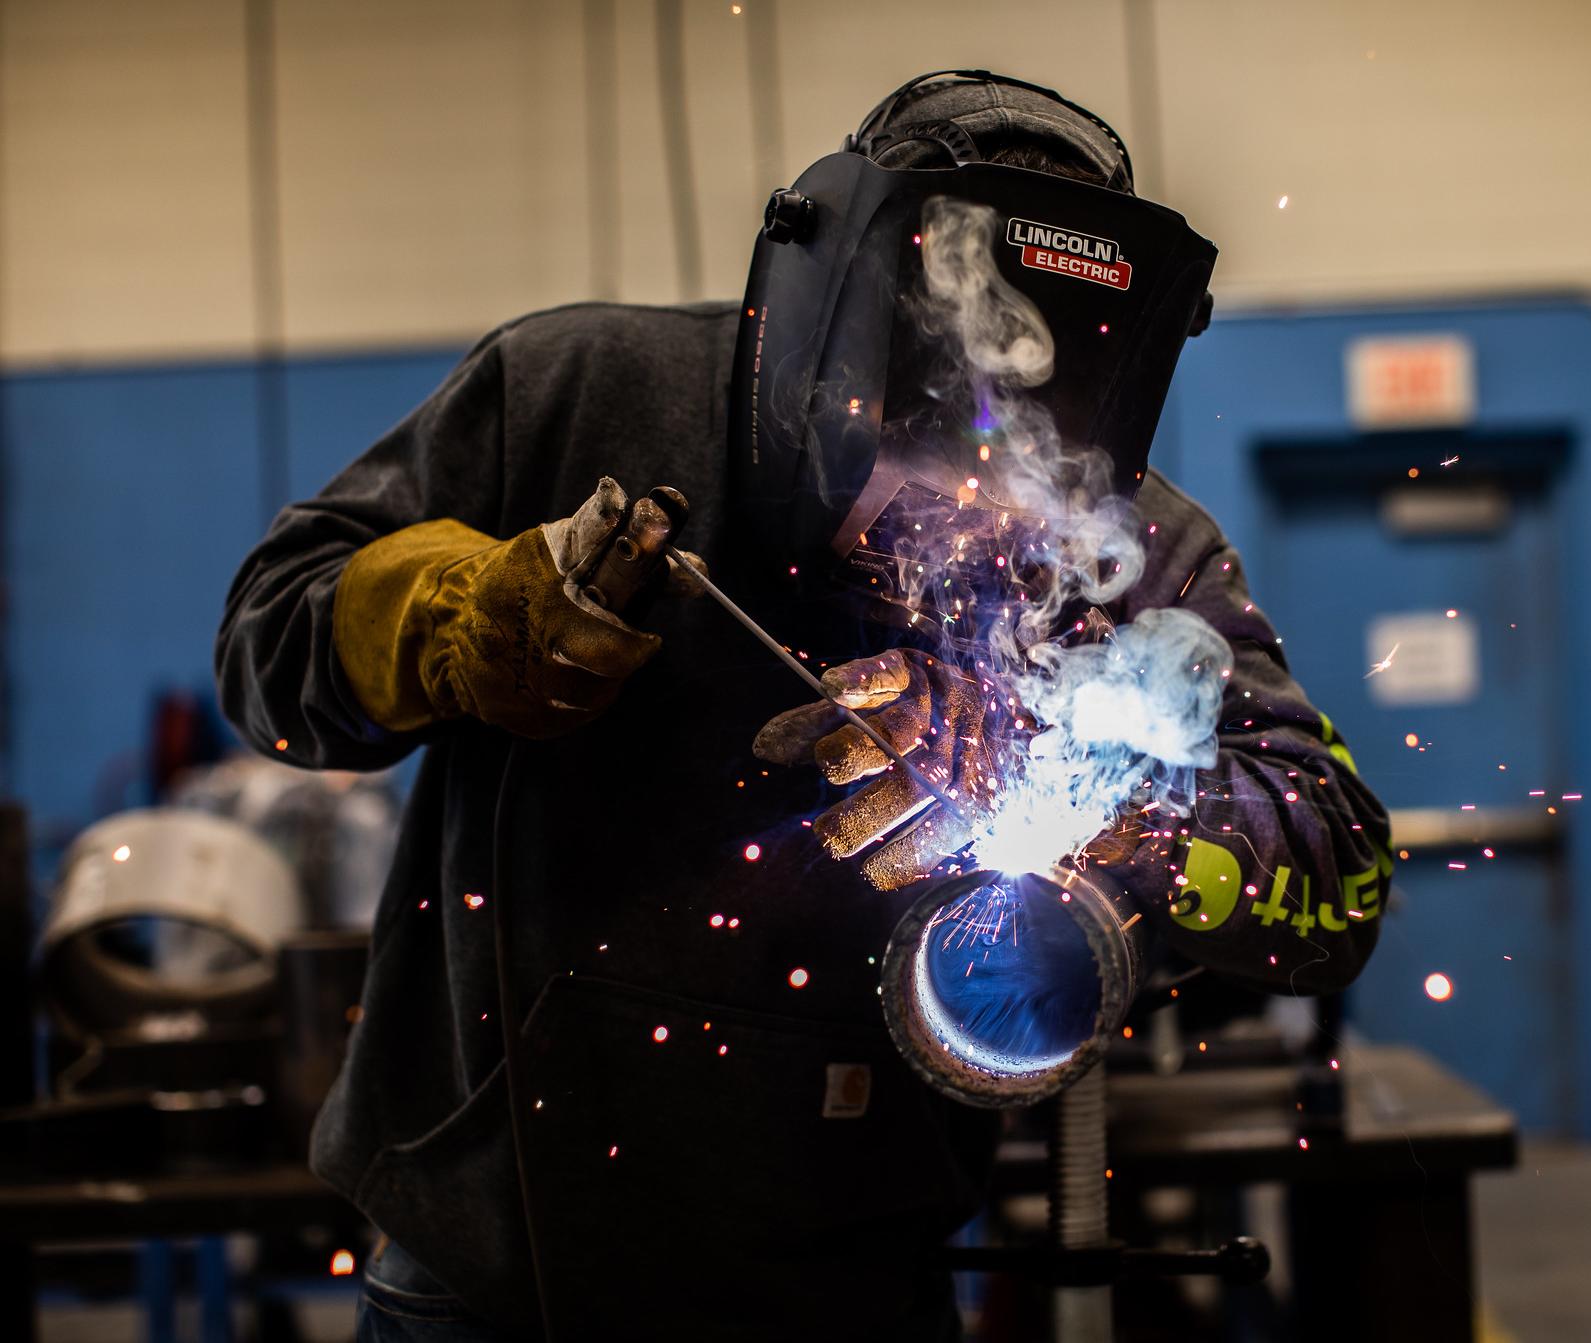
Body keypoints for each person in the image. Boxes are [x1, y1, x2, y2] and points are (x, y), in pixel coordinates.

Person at [216, 71, 1390, 1342]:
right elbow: (266, 648)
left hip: (856, 1279)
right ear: (819, 313)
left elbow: (1335, 879)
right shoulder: (577, 392)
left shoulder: (1127, 550)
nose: (955, 502)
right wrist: (454, 617)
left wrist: (1086, 782)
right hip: (494, 1273)